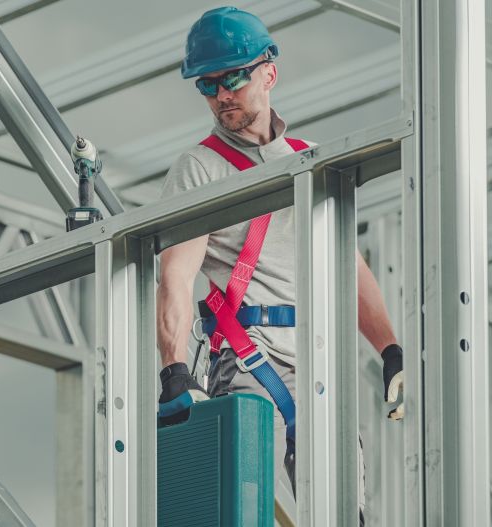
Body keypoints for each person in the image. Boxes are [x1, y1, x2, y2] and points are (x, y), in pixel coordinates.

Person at [155, 7, 404, 523]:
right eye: (208, 84)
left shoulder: (310, 159)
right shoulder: (200, 168)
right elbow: (176, 274)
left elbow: (346, 266)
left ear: (269, 72)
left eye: (234, 77)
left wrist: (390, 348)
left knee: (342, 513)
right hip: (251, 360)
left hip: (319, 366)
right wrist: (174, 371)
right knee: (253, 507)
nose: (222, 95)